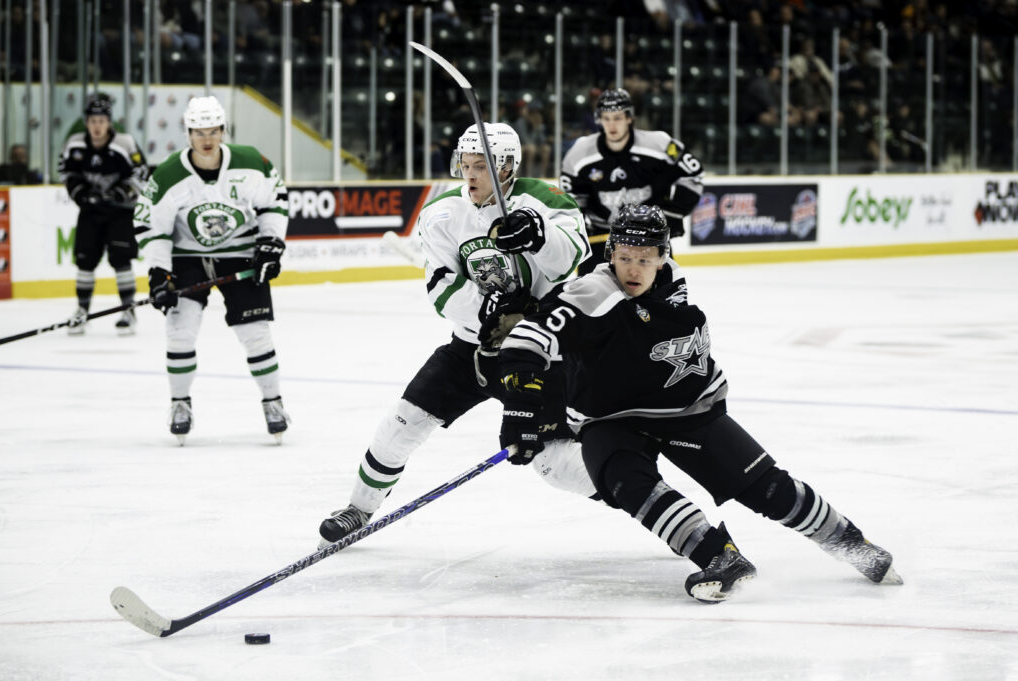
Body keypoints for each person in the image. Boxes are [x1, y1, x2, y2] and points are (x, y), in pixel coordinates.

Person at [496, 203, 902, 602]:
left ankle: (852, 543)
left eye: (644, 258)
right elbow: (524, 344)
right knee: (629, 484)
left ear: (663, 258)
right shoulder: (592, 291)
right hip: (612, 418)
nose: (633, 269)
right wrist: (522, 411)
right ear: (611, 255)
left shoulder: (675, 287)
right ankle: (719, 557)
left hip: (690, 411)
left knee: (767, 489)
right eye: (623, 257)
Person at [317, 122, 597, 546]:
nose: (470, 174)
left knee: (554, 463)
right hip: (471, 348)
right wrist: (485, 311)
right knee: (402, 422)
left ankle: (640, 499)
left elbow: (572, 256)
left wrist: (538, 235)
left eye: (481, 165)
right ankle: (358, 508)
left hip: (535, 352)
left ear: (507, 167)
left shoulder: (546, 200)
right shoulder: (441, 213)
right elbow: (441, 285)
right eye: (464, 164)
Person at [133, 95, 290, 444]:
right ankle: (179, 404)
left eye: (213, 131)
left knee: (256, 333)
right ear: (187, 133)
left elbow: (274, 203)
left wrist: (270, 244)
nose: (207, 139)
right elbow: (151, 227)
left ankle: (273, 402)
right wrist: (159, 272)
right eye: (199, 131)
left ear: (223, 130)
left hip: (240, 255)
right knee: (180, 332)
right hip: (186, 258)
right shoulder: (169, 174)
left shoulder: (251, 163)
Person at [559, 88, 704, 275]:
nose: (611, 125)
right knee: (589, 300)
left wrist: (673, 213)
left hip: (649, 239)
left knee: (664, 299)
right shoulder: (579, 153)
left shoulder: (661, 145)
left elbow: (693, 174)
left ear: (630, 118)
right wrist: (580, 224)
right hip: (601, 240)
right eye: (606, 118)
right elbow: (570, 196)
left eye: (618, 118)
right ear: (599, 119)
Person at [58, 93, 148, 336]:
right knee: (85, 262)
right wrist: (81, 194)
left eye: (101, 120)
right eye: (92, 120)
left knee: (121, 260)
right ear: (86, 122)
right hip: (90, 213)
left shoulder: (125, 143)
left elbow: (141, 173)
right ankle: (82, 311)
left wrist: (118, 193)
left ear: (109, 122)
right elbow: (66, 173)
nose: (97, 126)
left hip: (120, 213)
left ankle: (128, 311)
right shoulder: (74, 144)